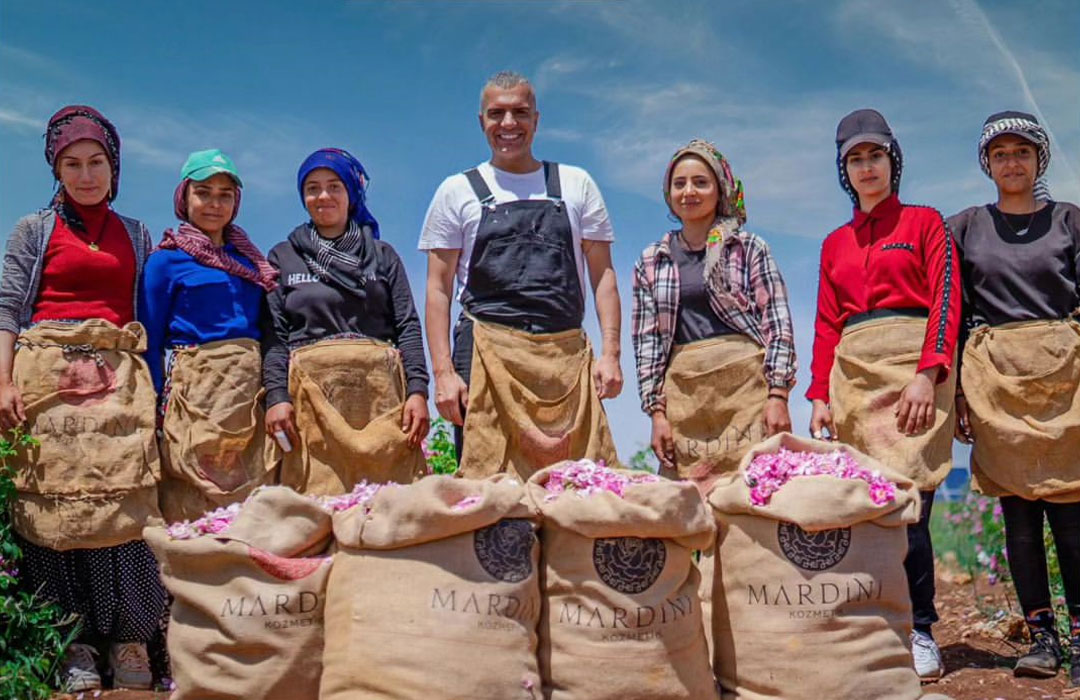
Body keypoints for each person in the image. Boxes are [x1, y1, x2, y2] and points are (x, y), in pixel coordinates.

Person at [0, 105, 164, 691]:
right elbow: (7, 309)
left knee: (123, 507)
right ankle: (74, 649)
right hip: (46, 382)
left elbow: (151, 314)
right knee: (54, 509)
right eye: (72, 164)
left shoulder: (139, 236)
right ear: (56, 168)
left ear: (114, 167)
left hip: (117, 385)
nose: (85, 175)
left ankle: (132, 644)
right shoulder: (33, 231)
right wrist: (3, 382)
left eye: (96, 163)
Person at [808, 109, 961, 680]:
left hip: (912, 374)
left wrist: (929, 373)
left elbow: (947, 301)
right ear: (844, 170)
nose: (866, 167)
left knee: (912, 502)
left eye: (875, 155)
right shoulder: (833, 243)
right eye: (855, 158)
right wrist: (819, 393)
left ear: (892, 161)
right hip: (853, 376)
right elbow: (826, 323)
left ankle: (920, 630)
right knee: (867, 506)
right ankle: (873, 625)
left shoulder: (925, 223)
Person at [420, 71, 620, 477]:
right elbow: (438, 289)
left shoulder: (575, 184)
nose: (508, 124)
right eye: (497, 114)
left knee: (577, 487)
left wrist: (611, 355)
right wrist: (443, 374)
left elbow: (604, 278)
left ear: (537, 120)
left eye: (520, 113)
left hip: (563, 358)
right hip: (483, 356)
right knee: (487, 490)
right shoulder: (456, 190)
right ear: (481, 122)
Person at [949, 111, 1080, 685]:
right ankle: (1042, 638)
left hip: (1066, 379)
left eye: (1022, 152)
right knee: (1019, 516)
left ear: (1039, 160)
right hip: (994, 381)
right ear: (987, 163)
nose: (1011, 162)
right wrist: (954, 390)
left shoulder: (1072, 221)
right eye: (1000, 154)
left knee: (1072, 515)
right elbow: (950, 316)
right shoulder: (966, 227)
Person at [263, 148, 429, 495]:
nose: (323, 196)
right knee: (314, 500)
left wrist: (417, 391)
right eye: (312, 188)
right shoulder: (284, 256)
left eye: (334, 186)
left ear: (351, 192)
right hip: (312, 401)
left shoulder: (382, 256)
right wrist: (277, 396)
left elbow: (408, 327)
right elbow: (274, 335)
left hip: (379, 398)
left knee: (386, 501)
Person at [632, 139, 796, 485]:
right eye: (680, 184)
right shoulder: (652, 260)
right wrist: (656, 413)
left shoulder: (748, 249)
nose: (688, 192)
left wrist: (777, 395)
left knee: (752, 497)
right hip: (686, 401)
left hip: (746, 396)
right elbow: (646, 345)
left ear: (719, 188)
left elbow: (777, 324)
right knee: (690, 508)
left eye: (700, 182)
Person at [140, 149, 279, 523]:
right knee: (193, 490)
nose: (214, 204)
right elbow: (149, 340)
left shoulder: (252, 262)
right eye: (204, 192)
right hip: (197, 390)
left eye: (225, 194)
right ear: (184, 197)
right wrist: (152, 408)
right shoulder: (165, 261)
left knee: (252, 487)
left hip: (248, 392)